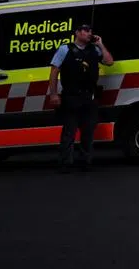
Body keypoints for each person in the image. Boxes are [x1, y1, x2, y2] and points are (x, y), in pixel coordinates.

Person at [47, 23, 114, 173]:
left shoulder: (94, 50)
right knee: (69, 131)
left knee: (89, 131)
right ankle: (65, 163)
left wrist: (101, 45)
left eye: (90, 30)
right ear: (77, 33)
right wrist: (53, 93)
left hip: (89, 96)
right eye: (85, 30)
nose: (89, 33)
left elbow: (109, 61)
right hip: (71, 96)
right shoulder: (65, 49)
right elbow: (54, 72)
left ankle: (85, 161)